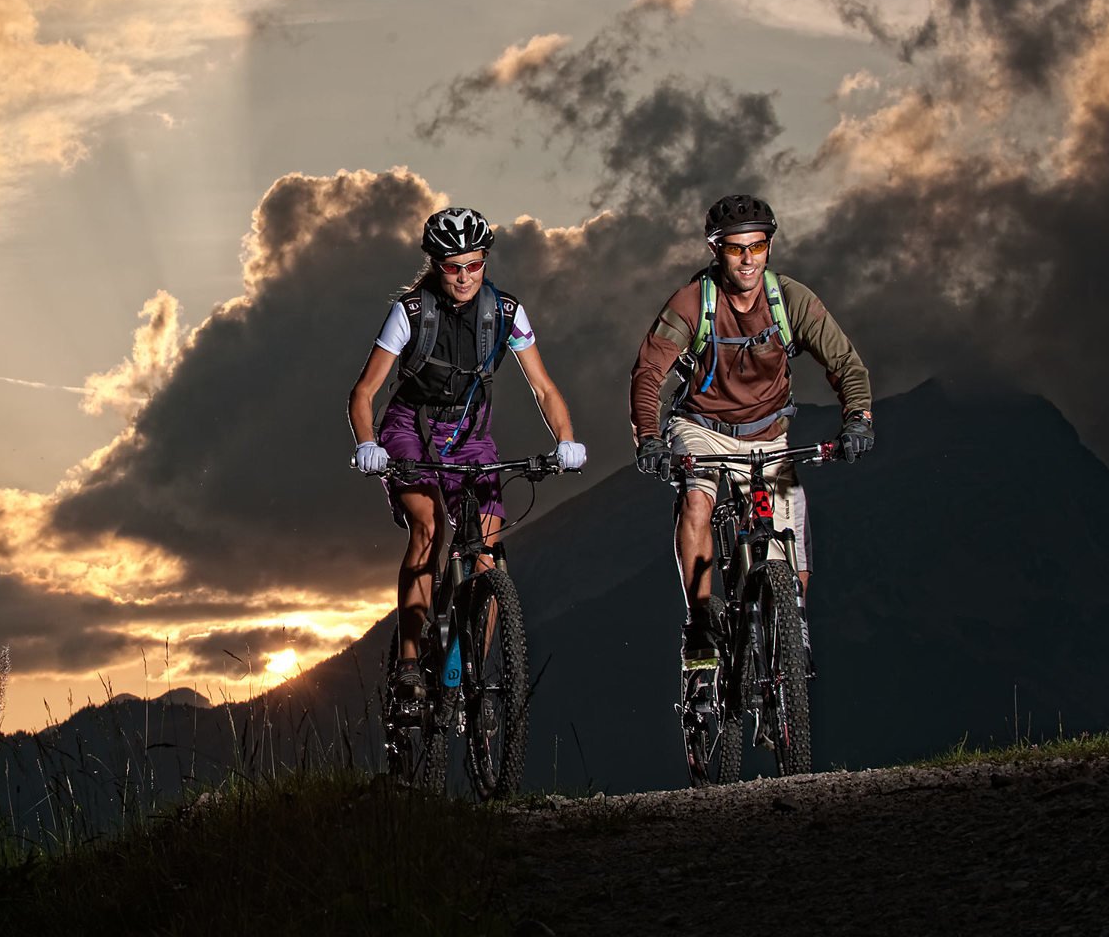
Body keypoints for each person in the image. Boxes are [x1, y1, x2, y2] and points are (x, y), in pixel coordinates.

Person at [348, 206, 586, 699]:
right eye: (453, 266)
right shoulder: (410, 313)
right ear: (436, 264)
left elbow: (543, 387)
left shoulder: (506, 313)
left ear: (485, 262)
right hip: (409, 429)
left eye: (473, 265)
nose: (463, 276)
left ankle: (473, 659)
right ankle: (411, 662)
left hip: (471, 433)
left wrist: (566, 440)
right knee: (429, 527)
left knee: (489, 556)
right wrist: (368, 444)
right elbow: (364, 392)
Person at [628, 193, 874, 668]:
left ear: (769, 247)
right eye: (735, 248)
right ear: (716, 250)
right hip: (702, 428)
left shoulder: (790, 300)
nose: (747, 259)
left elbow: (845, 362)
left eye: (756, 247)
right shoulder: (692, 302)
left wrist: (859, 418)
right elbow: (648, 373)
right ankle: (699, 623)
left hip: (769, 435)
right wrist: (650, 437)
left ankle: (790, 624)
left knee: (788, 548)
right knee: (697, 499)